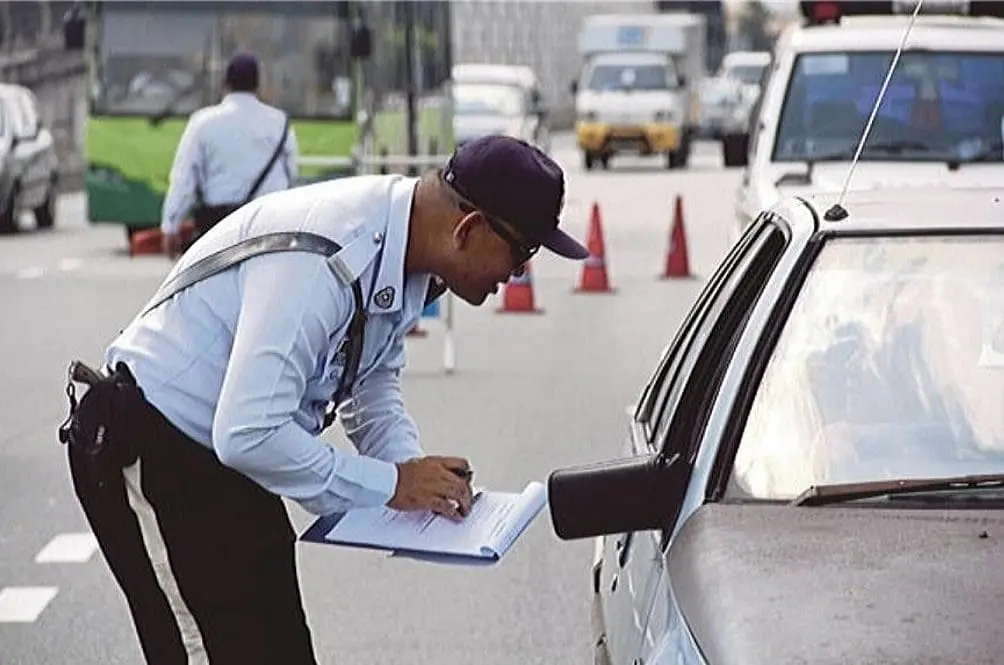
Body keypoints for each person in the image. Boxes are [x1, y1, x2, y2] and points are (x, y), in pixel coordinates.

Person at [60, 134, 590, 665]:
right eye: (523, 251)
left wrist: (411, 471)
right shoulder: (329, 256)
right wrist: (394, 486)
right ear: (468, 228)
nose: (519, 272)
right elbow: (247, 433)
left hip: (229, 462)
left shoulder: (405, 254)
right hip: (155, 451)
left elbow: (371, 383)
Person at [161, 52, 298, 258]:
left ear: (224, 83)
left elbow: (184, 178)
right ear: (258, 84)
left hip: (218, 230)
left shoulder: (202, 123)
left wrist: (171, 226)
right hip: (270, 228)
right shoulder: (280, 123)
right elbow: (291, 176)